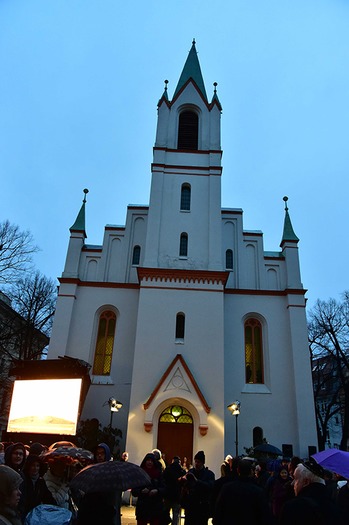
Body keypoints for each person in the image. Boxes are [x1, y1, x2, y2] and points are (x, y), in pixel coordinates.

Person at [279, 459, 344, 525]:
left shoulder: (292, 508)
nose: (292, 483)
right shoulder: (334, 504)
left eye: (296, 479)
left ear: (306, 482)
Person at [214, 459, 272, 525]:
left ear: (238, 470)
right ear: (251, 471)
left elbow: (219, 510)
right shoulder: (258, 491)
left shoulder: (227, 488)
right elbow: (264, 515)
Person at [180, 451, 215, 525]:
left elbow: (210, 487)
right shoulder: (191, 472)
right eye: (195, 461)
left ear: (203, 463)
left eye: (198, 462)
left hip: (202, 507)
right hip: (191, 506)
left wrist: (197, 481)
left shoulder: (209, 474)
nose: (196, 464)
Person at [132, 452, 166, 525]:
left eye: (151, 461)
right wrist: (141, 491)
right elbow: (134, 491)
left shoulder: (158, 473)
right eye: (148, 460)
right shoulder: (140, 474)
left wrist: (157, 490)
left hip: (155, 507)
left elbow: (164, 488)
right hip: (143, 507)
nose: (149, 462)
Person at [20, 454, 55, 518]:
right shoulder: (23, 480)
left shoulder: (41, 481)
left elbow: (47, 498)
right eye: (33, 465)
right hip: (24, 515)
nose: (35, 468)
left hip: (35, 515)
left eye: (37, 466)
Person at [163, 456, 186, 525]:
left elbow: (163, 480)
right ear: (179, 462)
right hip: (177, 496)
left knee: (165, 513)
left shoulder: (167, 469)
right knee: (176, 515)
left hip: (167, 495)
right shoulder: (181, 470)